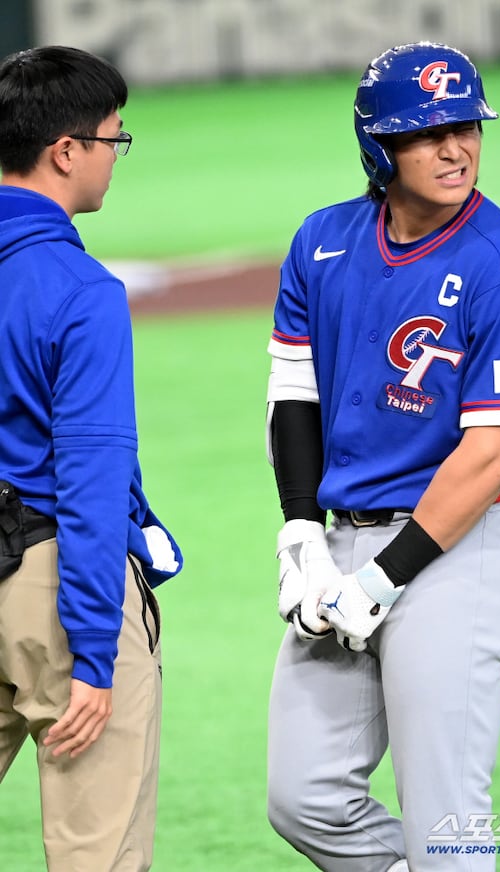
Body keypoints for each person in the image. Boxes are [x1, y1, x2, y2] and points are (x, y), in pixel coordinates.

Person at [265, 42, 500, 871]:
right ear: (378, 147)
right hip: (345, 545)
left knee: (446, 824)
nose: (455, 148)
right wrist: (301, 535)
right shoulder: (323, 242)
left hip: (456, 552)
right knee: (305, 798)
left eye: (464, 125)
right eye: (426, 133)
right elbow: (295, 392)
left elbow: (493, 452)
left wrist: (384, 577)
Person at [0, 46, 182, 871]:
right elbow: (92, 478)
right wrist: (95, 650)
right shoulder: (80, 291)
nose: (117, 155)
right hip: (53, 589)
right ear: (65, 150)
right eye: (115, 137)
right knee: (95, 858)